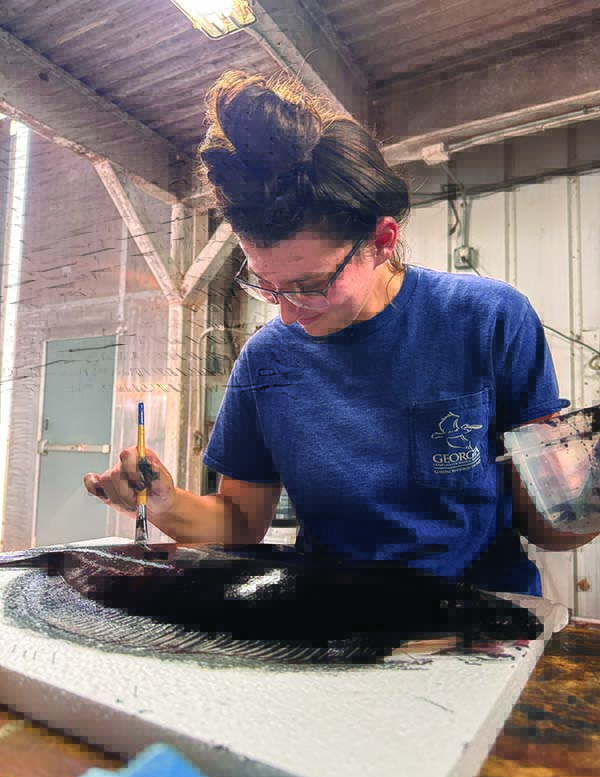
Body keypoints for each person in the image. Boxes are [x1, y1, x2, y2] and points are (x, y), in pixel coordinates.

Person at [83, 70, 599, 597]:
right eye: (266, 285)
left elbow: (552, 524)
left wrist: (586, 490)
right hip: (331, 617)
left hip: (481, 615)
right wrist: (164, 503)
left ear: (381, 240)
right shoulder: (266, 360)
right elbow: (239, 521)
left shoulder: (488, 319)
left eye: (310, 285)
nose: (287, 315)